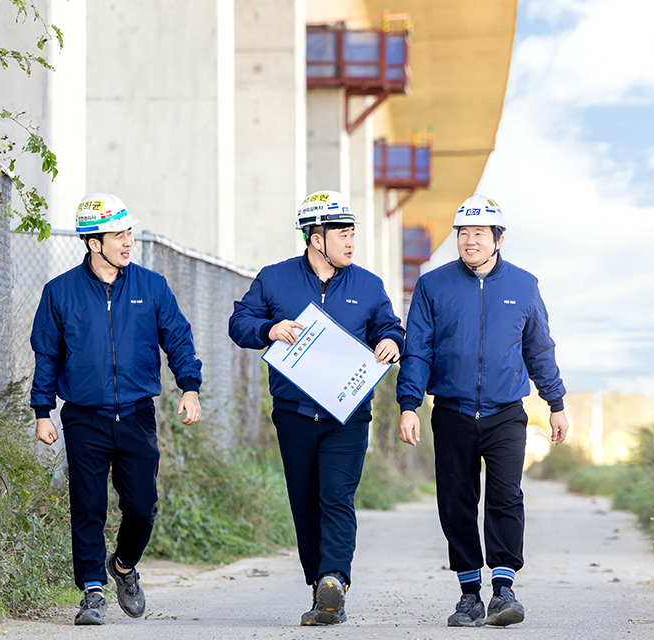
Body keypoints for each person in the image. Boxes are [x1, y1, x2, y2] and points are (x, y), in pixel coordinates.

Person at [228, 190, 404, 626]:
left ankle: (335, 579)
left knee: (336, 497)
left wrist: (391, 341)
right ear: (314, 237)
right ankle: (320, 590)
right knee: (304, 502)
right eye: (341, 233)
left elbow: (391, 326)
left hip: (349, 414)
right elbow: (239, 323)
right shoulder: (274, 279)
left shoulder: (368, 284)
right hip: (293, 412)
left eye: (352, 232)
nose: (350, 241)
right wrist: (270, 328)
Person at [396, 194, 570, 628]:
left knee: (505, 495)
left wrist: (556, 404)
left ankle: (504, 589)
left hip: (506, 411)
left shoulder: (524, 285)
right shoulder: (432, 286)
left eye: (479, 233)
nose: (470, 241)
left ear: (499, 238)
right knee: (456, 500)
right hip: (451, 411)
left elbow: (539, 349)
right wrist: (409, 404)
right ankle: (470, 594)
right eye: (463, 233)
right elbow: (416, 350)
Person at [31, 193, 203, 626]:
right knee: (88, 506)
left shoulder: (152, 286)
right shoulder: (60, 292)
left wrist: (189, 387)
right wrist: (41, 411)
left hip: (136, 412)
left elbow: (178, 339)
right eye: (119, 235)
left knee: (142, 506)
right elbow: (47, 355)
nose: (128, 241)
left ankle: (122, 567)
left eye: (130, 232)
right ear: (94, 242)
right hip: (84, 416)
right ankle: (91, 591)